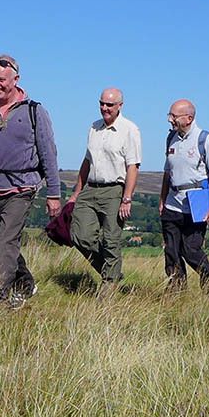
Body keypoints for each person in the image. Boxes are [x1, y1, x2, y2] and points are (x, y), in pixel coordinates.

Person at [0, 55, 61, 309]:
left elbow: (49, 152)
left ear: (16, 79)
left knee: (7, 240)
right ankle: (26, 282)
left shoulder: (34, 111)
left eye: (2, 80)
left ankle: (0, 295)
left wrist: (53, 193)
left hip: (22, 187)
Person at [66, 87, 141, 297]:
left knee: (111, 239)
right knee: (79, 235)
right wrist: (75, 193)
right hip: (90, 188)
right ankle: (112, 272)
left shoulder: (130, 130)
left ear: (120, 106)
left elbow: (133, 166)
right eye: (102, 103)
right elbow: (87, 161)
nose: (104, 108)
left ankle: (109, 283)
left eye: (110, 105)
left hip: (115, 190)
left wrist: (127, 198)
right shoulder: (94, 127)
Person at [158, 99, 209, 291]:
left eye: (174, 116)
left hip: (196, 205)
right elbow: (167, 172)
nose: (170, 120)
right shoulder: (171, 139)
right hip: (172, 203)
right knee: (171, 251)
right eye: (169, 115)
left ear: (189, 118)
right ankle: (176, 291)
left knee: (190, 250)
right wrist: (162, 199)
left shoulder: (205, 140)